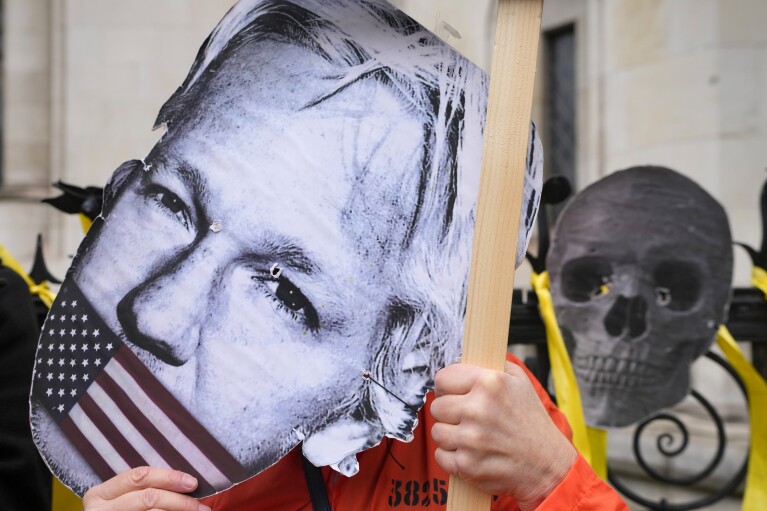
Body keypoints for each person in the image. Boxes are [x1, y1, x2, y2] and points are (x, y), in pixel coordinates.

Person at [35, 0, 627, 509]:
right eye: (171, 202)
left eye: (285, 292)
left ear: (409, 355)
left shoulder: (486, 416)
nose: (154, 314)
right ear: (119, 191)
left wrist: (551, 477)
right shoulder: (124, 441)